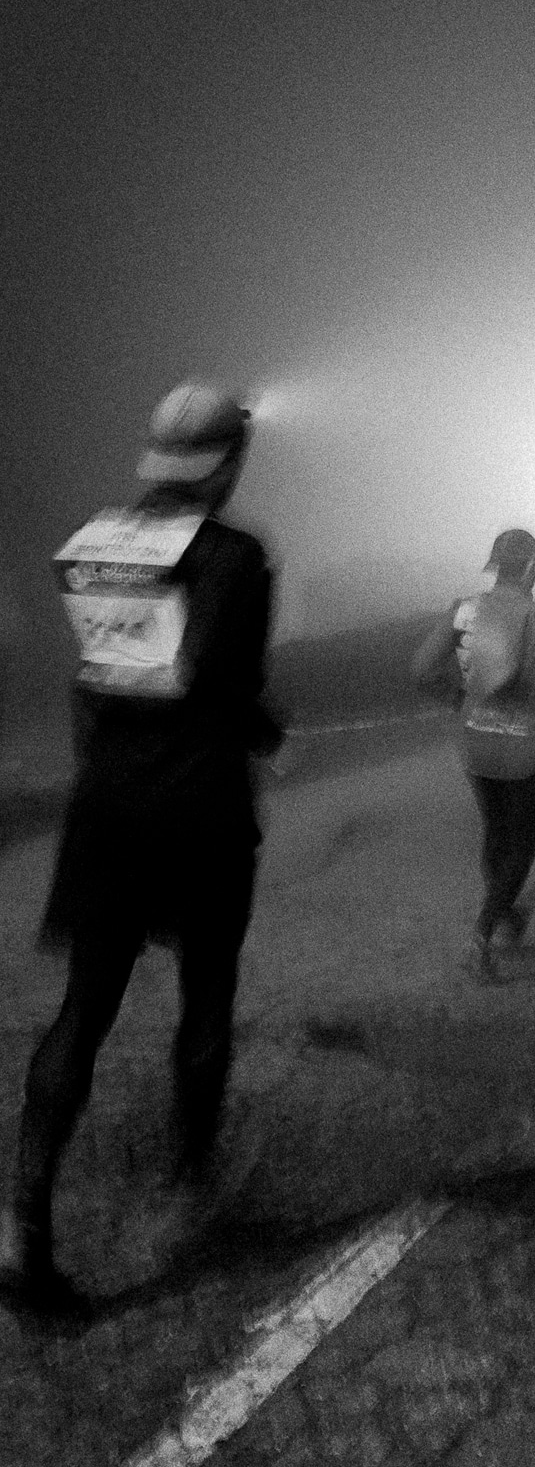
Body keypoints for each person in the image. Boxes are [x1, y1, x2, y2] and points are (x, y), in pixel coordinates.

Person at [0, 382, 284, 1319]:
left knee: (82, 1012)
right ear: (227, 463)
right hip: (199, 810)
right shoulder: (238, 559)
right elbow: (219, 683)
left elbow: (96, 682)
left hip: (110, 806)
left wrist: (108, 775)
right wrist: (265, 727)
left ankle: (23, 1233)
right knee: (205, 1002)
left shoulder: (92, 545)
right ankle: (192, 1186)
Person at [412, 528, 535, 976]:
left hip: (476, 748)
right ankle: (482, 934)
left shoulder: (463, 613)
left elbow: (421, 670)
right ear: (532, 567)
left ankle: (506, 912)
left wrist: (457, 701)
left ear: (494, 565)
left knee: (495, 831)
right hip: (529, 754)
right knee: (521, 846)